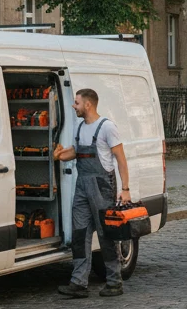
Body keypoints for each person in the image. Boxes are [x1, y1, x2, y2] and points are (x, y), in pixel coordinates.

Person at [52, 87, 132, 298]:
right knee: (80, 234)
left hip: (101, 186)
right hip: (82, 186)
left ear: (87, 104)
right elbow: (75, 152)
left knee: (106, 235)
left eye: (76, 103)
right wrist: (61, 154)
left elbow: (121, 160)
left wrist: (125, 189)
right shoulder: (79, 127)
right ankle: (79, 283)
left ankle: (114, 282)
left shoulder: (107, 127)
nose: (73, 106)